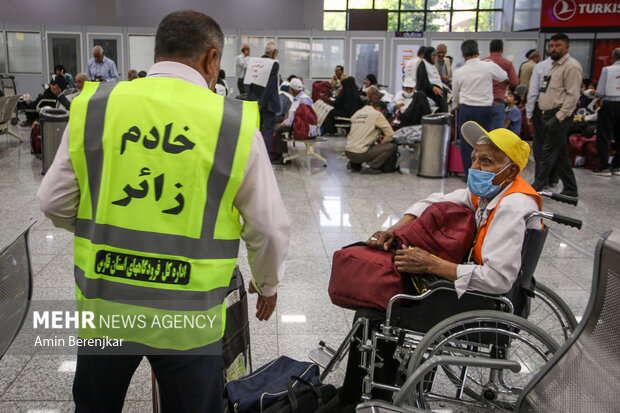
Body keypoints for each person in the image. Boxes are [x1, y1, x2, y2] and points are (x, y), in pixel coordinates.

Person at [37, 10, 289, 413]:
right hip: (187, 322)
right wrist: (267, 282)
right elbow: (270, 227)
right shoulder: (232, 123)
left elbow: (53, 202)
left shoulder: (97, 106)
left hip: (107, 308)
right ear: (211, 59)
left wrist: (103, 228)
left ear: (159, 53)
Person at [341, 121, 541, 405]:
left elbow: (497, 279)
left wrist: (431, 264)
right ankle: (378, 386)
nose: (475, 167)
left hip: (485, 304)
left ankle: (369, 397)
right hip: (475, 293)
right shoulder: (494, 193)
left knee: (377, 307)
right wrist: (395, 230)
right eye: (473, 159)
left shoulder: (512, 206)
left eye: (486, 161)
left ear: (509, 170)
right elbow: (435, 200)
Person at [532, 33, 582, 198]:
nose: (553, 49)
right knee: (559, 153)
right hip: (546, 114)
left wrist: (560, 116)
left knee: (546, 153)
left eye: (558, 45)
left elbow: (573, 95)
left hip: (559, 115)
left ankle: (536, 187)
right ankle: (570, 188)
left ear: (566, 47)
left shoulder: (571, 66)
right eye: (552, 46)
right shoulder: (553, 66)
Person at [452, 40, 508, 175]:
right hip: (484, 109)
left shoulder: (459, 71)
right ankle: (484, 172)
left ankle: (469, 174)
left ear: (463, 54)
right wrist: (491, 63)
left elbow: (455, 93)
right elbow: (503, 76)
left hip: (466, 109)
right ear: (477, 52)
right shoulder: (487, 66)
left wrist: (458, 103)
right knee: (484, 143)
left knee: (466, 144)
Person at [246, 41, 281, 153]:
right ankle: (265, 157)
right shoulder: (273, 64)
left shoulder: (253, 63)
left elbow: (247, 83)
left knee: (255, 131)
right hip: (268, 104)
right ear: (274, 52)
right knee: (268, 131)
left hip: (254, 103)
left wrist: (254, 100)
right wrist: (261, 103)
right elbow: (270, 86)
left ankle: (253, 154)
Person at [526, 52, 555, 186]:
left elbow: (533, 91)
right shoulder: (572, 65)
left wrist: (529, 113)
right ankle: (553, 178)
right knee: (555, 145)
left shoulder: (541, 67)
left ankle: (541, 179)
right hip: (559, 110)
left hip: (542, 108)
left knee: (540, 146)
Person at [344, 100, 395, 174]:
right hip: (360, 154)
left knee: (367, 143)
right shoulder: (376, 114)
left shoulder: (357, 113)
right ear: (378, 109)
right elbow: (390, 133)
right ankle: (369, 166)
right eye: (383, 113)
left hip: (348, 152)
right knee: (390, 147)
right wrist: (383, 144)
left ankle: (353, 164)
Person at [591, 48, 620, 176]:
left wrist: (593, 94)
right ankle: (617, 166)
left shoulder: (607, 70)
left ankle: (604, 166)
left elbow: (600, 92)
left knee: (603, 136)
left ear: (613, 57)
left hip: (609, 105)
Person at [272, 78, 314, 164]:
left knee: (279, 130)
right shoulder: (298, 98)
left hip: (303, 127)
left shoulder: (303, 100)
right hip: (298, 124)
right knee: (280, 127)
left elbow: (302, 118)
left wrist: (286, 123)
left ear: (293, 90)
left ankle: (281, 155)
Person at [483, 40, 520, 130]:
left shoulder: (482, 62)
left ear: (490, 49)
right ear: (502, 50)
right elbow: (515, 82)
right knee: (497, 135)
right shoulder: (507, 63)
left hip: (482, 102)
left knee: (482, 133)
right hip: (497, 101)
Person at [417, 47, 448, 113]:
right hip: (431, 93)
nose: (435, 57)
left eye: (435, 55)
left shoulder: (432, 64)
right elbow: (423, 80)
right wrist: (432, 87)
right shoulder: (423, 64)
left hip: (439, 91)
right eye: (433, 55)